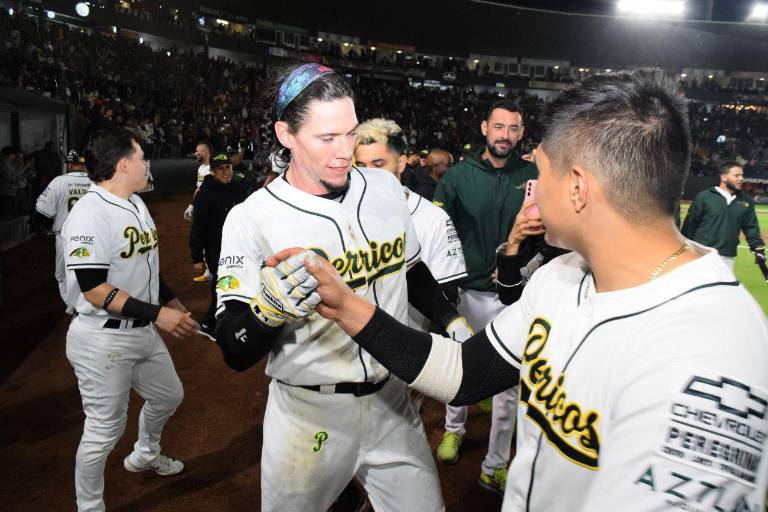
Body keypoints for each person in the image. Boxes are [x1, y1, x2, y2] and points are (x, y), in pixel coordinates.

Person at [300, 69, 768, 512]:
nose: (534, 191)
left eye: (541, 174)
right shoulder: (560, 275)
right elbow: (466, 373)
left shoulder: (717, 347)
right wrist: (348, 307)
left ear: (578, 187)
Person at [214, 63, 470, 512]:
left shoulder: (385, 189)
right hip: (309, 415)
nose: (343, 152)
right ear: (286, 134)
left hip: (393, 405)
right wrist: (267, 311)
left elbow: (410, 272)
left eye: (349, 134)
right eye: (326, 138)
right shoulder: (252, 217)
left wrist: (453, 320)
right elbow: (233, 349)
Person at [62, 128, 198, 512]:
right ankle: (90, 507)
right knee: (104, 430)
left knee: (169, 395)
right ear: (123, 165)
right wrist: (159, 315)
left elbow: (146, 265)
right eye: (141, 158)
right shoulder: (90, 213)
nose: (146, 165)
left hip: (141, 330)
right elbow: (92, 288)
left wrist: (172, 302)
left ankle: (145, 454)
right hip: (101, 339)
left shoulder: (135, 203)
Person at [432, 99, 537, 493]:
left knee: (509, 387)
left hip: (515, 297)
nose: (505, 135)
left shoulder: (533, 175)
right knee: (460, 371)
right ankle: (454, 430)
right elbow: (440, 233)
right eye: (499, 127)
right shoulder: (458, 176)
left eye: (513, 128)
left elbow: (545, 235)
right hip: (467, 293)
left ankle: (494, 464)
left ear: (521, 133)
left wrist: (518, 266)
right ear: (484, 129)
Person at [355, 118, 467, 332]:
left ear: (401, 163)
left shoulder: (433, 219)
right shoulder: (343, 213)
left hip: (413, 346)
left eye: (378, 165)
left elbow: (447, 295)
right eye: (360, 166)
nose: (367, 174)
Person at [189, 152, 246, 340]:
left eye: (228, 168)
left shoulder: (238, 188)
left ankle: (226, 319)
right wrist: (197, 257)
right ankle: (208, 323)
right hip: (216, 250)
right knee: (221, 287)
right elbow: (198, 228)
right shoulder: (205, 194)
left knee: (237, 284)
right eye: (220, 169)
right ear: (213, 171)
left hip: (239, 248)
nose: (225, 172)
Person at [34, 150, 92, 312]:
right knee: (89, 269)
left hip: (64, 236)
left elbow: (43, 209)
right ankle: (86, 305)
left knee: (62, 274)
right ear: (84, 164)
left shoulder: (59, 181)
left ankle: (72, 306)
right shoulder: (95, 182)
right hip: (91, 235)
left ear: (69, 164)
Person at [682, 161, 765, 270]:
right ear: (724, 177)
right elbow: (690, 224)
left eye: (742, 175)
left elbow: (751, 227)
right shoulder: (704, 197)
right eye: (736, 175)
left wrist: (757, 248)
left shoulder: (746, 202)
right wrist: (683, 249)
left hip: (727, 257)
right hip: (701, 254)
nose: (741, 179)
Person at [186, 140, 213, 282]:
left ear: (205, 152)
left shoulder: (215, 167)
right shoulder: (201, 169)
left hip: (213, 209)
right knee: (203, 238)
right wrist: (192, 205)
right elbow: (199, 189)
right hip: (202, 209)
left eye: (198, 151)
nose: (196, 153)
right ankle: (209, 272)